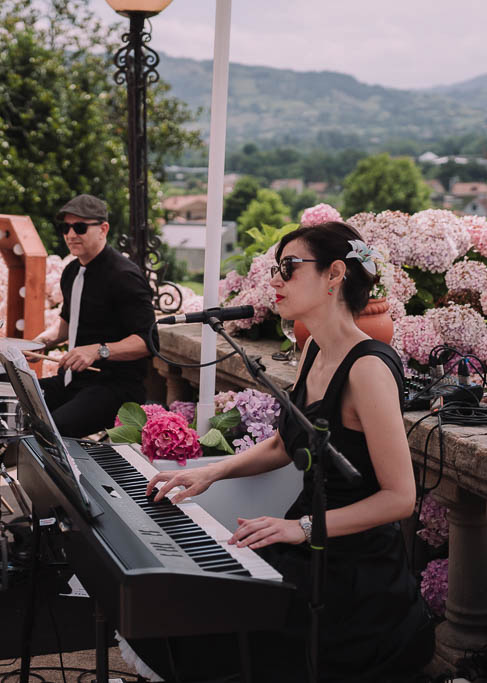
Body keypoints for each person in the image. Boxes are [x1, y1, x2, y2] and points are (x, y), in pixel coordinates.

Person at [141, 221, 433, 682]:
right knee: (181, 606)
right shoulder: (314, 346)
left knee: (214, 627)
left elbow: (399, 499)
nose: (275, 280)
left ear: (335, 274)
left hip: (351, 573)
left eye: (289, 268)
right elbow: (283, 441)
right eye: (277, 268)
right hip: (302, 538)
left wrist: (301, 527)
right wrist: (210, 474)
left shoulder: (369, 368)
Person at [32, 194, 156, 438]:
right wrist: (37, 343)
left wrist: (98, 351)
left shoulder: (124, 276)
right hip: (72, 381)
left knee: (52, 430)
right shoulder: (72, 271)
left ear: (103, 229)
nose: (70, 234)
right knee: (7, 399)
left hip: (114, 387)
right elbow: (68, 323)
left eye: (79, 227)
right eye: (65, 227)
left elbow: (148, 341)